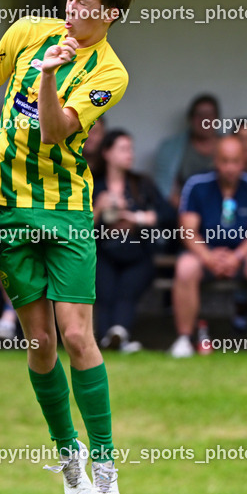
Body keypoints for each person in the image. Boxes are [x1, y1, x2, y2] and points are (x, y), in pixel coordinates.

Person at [0, 0, 139, 494]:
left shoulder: (109, 73)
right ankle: (68, 454)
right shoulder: (26, 31)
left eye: (84, 7)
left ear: (109, 15)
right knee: (40, 343)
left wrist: (46, 72)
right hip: (8, 209)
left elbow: (52, 132)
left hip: (65, 211)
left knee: (76, 336)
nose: (70, 12)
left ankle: (105, 459)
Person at [170, 136, 247, 358]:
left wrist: (236, 257)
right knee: (185, 266)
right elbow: (188, 230)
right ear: (215, 161)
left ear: (244, 161)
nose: (230, 168)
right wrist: (208, 256)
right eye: (225, 161)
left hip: (243, 255)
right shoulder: (196, 185)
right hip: (205, 254)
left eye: (235, 161)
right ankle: (183, 339)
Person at [92, 129, 166, 353]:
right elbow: (79, 229)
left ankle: (118, 333)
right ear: (107, 153)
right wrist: (100, 208)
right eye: (123, 149)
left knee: (127, 288)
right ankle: (109, 338)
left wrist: (137, 218)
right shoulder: (93, 184)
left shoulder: (142, 183)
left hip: (137, 250)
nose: (130, 154)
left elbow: (167, 214)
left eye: (131, 149)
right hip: (104, 250)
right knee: (103, 289)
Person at [154, 93, 220, 206]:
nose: (205, 120)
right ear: (190, 118)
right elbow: (164, 189)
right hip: (183, 210)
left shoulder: (228, 147)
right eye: (199, 115)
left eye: (209, 114)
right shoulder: (170, 148)